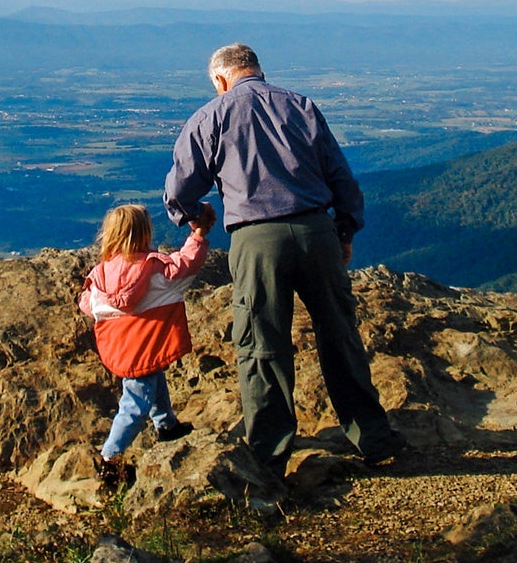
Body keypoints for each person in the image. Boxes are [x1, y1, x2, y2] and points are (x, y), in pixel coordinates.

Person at [163, 43, 404, 478]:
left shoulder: (210, 117)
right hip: (317, 232)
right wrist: (344, 230)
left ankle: (269, 460)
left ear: (220, 79)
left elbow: (179, 191)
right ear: (256, 69)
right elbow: (340, 176)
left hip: (256, 241)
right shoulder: (301, 106)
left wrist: (197, 218)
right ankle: (374, 437)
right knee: (339, 335)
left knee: (262, 347)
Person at [78, 202, 214, 487]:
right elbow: (187, 263)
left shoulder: (100, 276)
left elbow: (88, 305)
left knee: (153, 376)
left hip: (121, 347)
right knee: (135, 403)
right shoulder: (154, 271)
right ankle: (110, 459)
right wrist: (199, 233)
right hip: (144, 344)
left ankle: (167, 424)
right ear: (145, 234)